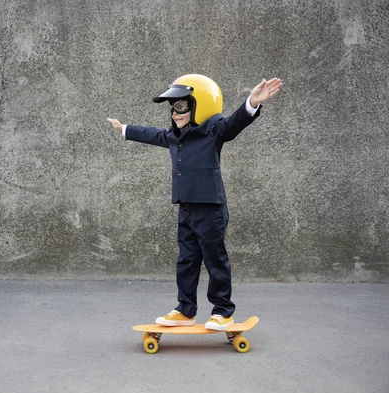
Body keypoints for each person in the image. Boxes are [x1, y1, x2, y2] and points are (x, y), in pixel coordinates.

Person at [106, 74, 282, 330]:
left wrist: (251, 103)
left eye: (181, 105)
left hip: (210, 209)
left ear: (198, 104)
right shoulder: (174, 136)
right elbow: (153, 135)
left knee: (214, 259)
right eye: (172, 107)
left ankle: (223, 311)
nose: (175, 113)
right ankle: (185, 309)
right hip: (186, 208)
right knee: (186, 260)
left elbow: (234, 124)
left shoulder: (213, 129)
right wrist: (124, 129)